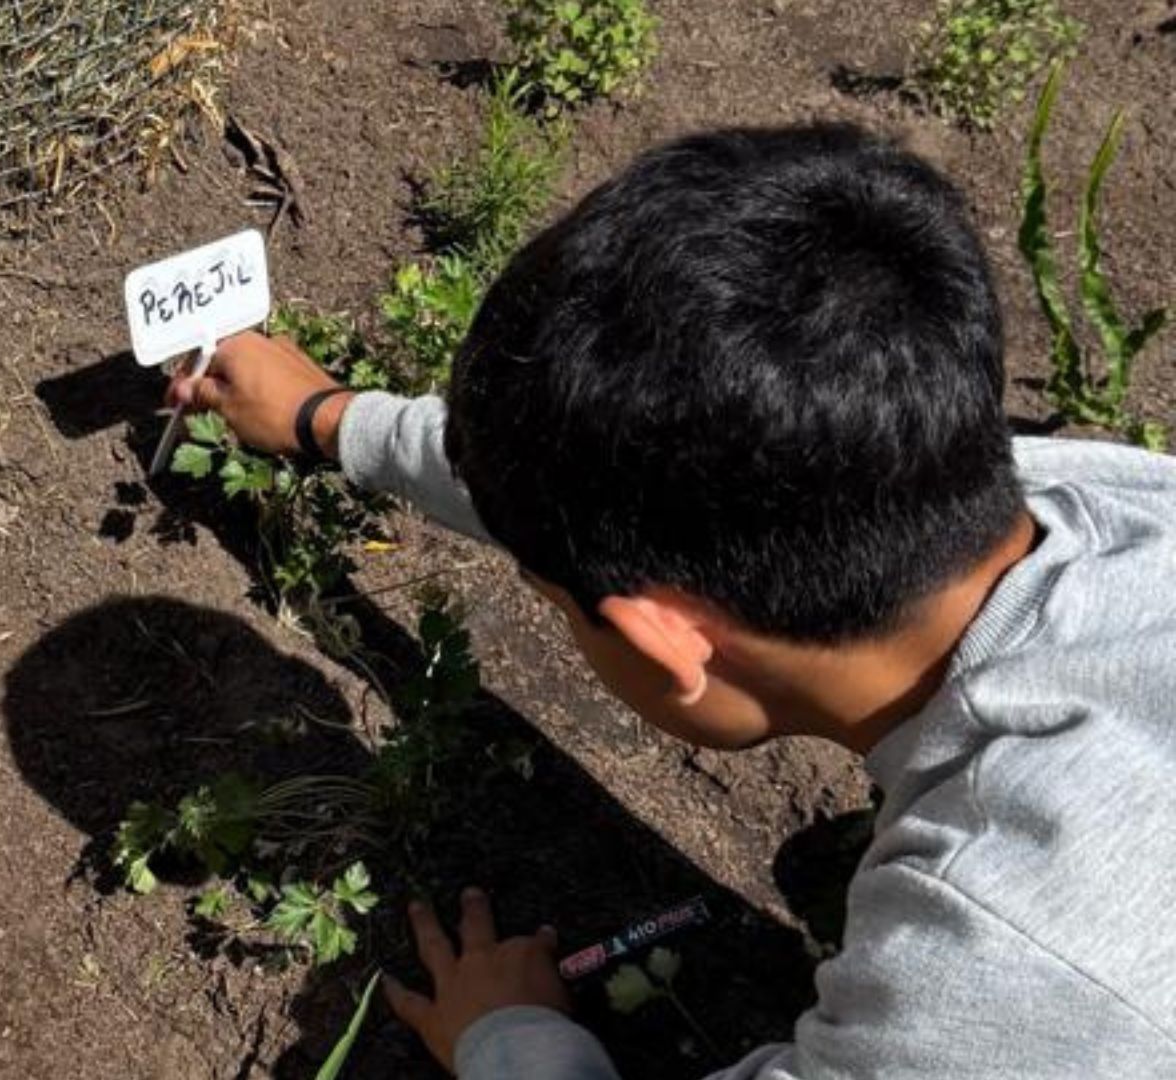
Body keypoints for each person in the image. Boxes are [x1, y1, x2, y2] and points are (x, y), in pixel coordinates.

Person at [165, 124, 1176, 1078]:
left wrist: (512, 1042)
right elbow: (643, 491)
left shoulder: (1011, 973)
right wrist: (328, 419)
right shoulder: (1088, 496)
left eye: (555, 602)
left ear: (665, 642)